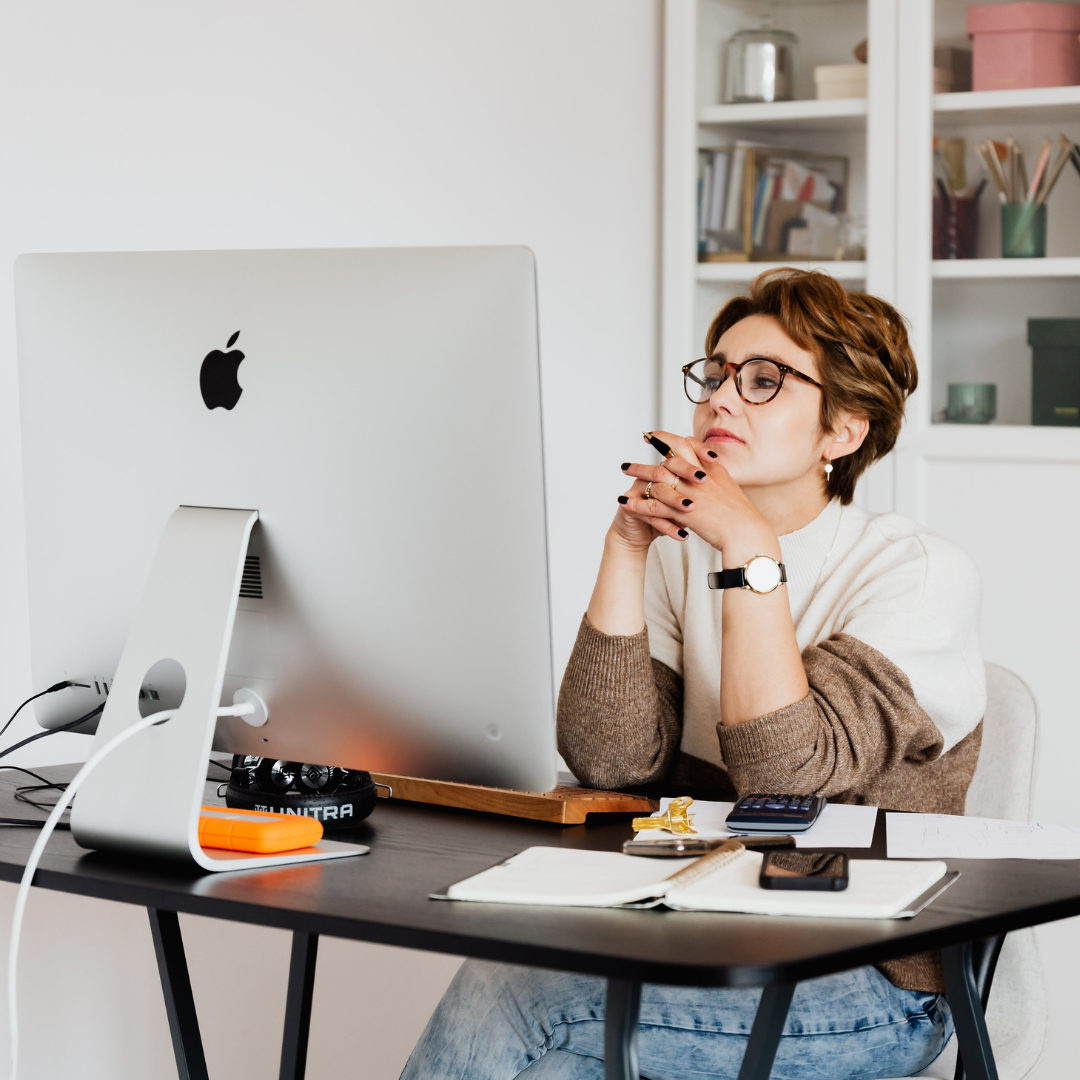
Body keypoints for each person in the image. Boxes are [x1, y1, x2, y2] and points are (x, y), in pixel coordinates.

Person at [399, 269, 984, 1080]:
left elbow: (785, 777)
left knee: (523, 994)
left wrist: (750, 553)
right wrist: (627, 547)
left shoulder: (917, 573)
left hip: (873, 982)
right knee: (554, 1057)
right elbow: (611, 759)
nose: (721, 399)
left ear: (842, 432)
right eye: (715, 374)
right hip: (706, 928)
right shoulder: (684, 562)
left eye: (764, 381)